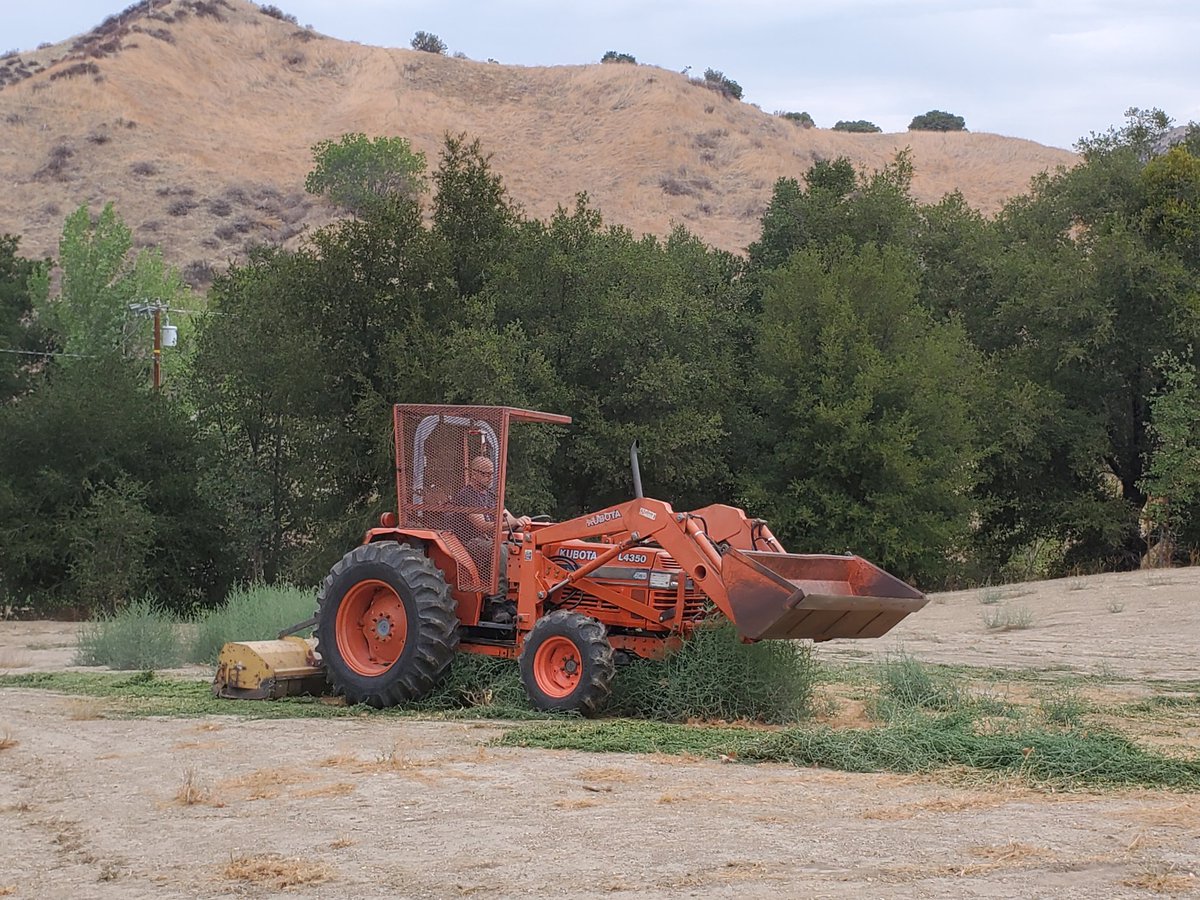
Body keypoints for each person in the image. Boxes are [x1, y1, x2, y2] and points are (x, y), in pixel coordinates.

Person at [452, 456, 531, 535]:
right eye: (486, 474)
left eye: (492, 474)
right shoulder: (467, 495)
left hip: (491, 540)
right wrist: (514, 522)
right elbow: (483, 526)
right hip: (471, 542)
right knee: (505, 547)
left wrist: (524, 523)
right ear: (474, 474)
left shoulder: (492, 496)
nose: (490, 478)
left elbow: (510, 520)